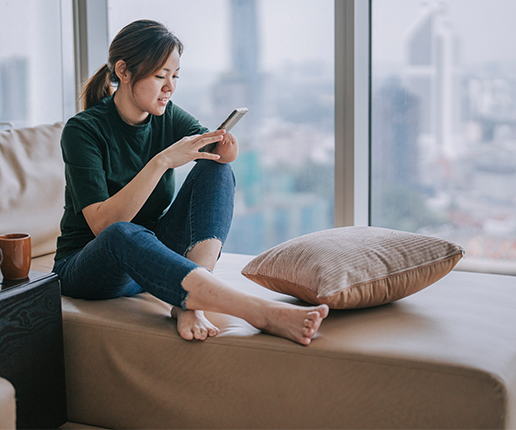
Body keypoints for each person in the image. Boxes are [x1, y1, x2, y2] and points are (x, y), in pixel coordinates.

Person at [53, 20, 328, 345]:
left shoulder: (168, 115)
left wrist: (226, 148)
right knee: (121, 233)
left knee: (216, 171)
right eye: (159, 76)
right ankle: (260, 312)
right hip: (92, 265)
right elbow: (103, 225)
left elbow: (218, 157)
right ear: (123, 71)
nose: (170, 87)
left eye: (175, 76)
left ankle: (190, 302)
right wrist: (162, 161)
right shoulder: (83, 130)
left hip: (151, 252)